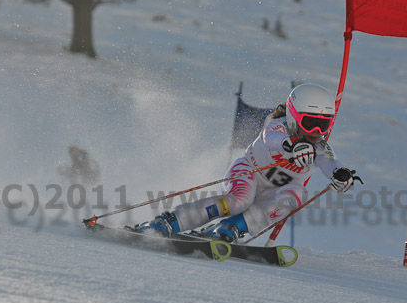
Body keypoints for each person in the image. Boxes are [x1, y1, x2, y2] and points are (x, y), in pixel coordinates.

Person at [135, 83, 360, 242]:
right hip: (247, 173)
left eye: (324, 125)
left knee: (297, 195)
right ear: (293, 117)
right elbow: (271, 139)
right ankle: (170, 221)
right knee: (239, 201)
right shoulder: (276, 125)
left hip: (272, 193)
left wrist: (340, 174)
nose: (317, 132)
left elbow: (331, 162)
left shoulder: (320, 146)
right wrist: (291, 146)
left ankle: (231, 227)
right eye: (311, 123)